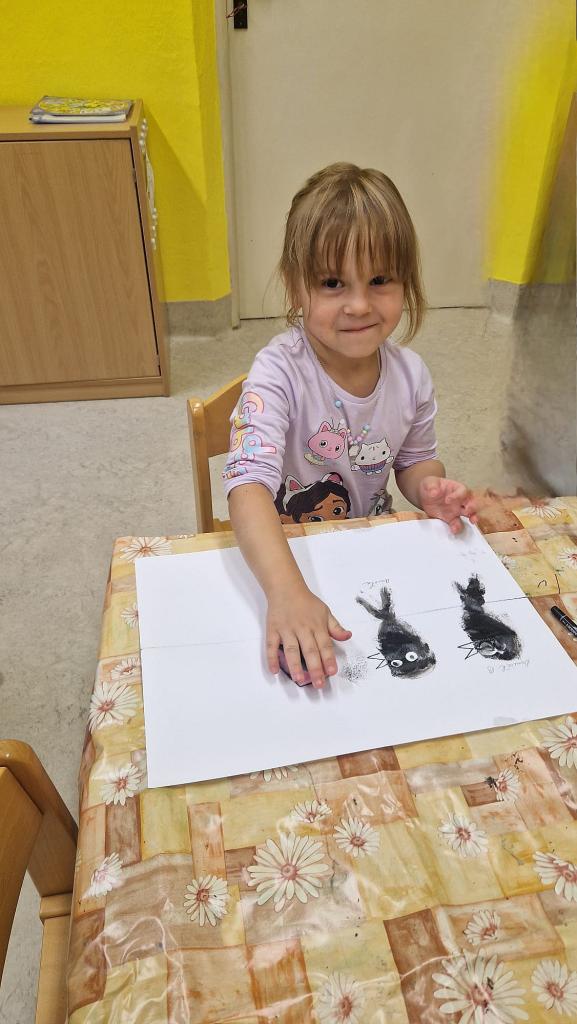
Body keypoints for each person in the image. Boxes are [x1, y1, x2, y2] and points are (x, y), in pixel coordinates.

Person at [223, 162, 477, 689]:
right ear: (295, 286)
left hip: (364, 554)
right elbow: (246, 487)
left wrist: (428, 489)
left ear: (406, 281)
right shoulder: (277, 372)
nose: (359, 305)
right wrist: (286, 592)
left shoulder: (411, 375)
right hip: (283, 558)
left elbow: (414, 461)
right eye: (333, 283)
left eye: (380, 280)